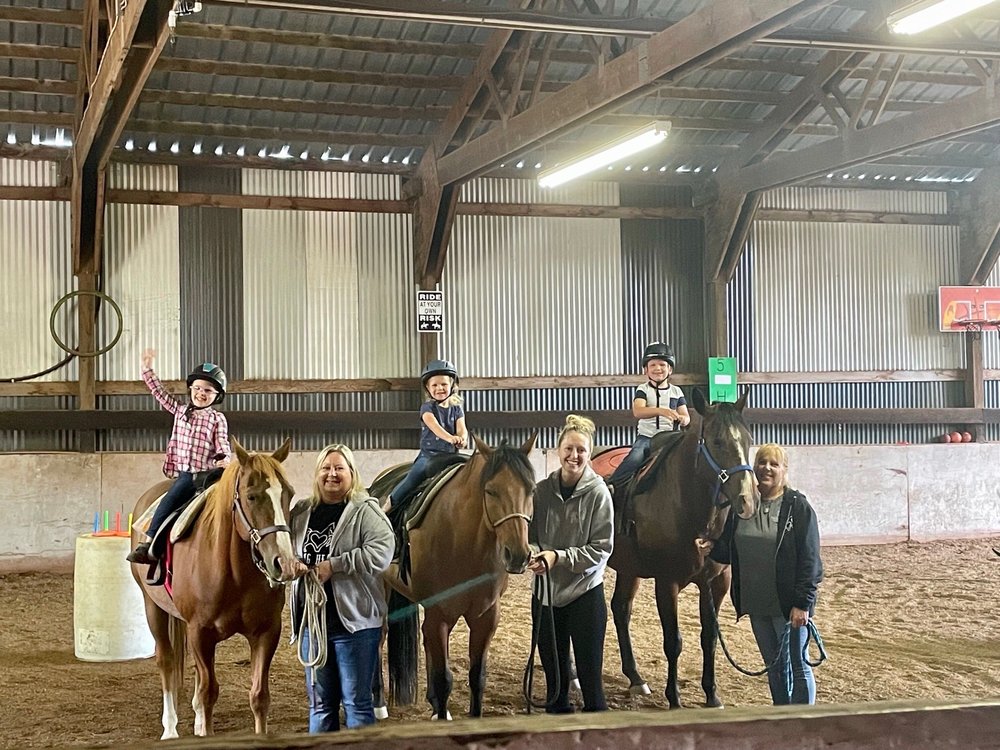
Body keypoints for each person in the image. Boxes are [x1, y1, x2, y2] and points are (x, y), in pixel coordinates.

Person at [289, 444, 394, 733]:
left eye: (339, 468)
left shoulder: (366, 511)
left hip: (355, 625)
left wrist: (335, 565)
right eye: (326, 468)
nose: (331, 474)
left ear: (351, 473)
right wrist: (293, 564)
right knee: (320, 704)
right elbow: (284, 551)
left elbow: (382, 551)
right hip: (314, 624)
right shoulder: (300, 512)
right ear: (317, 473)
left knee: (357, 704)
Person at [710, 443, 823, 705]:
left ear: (784, 470)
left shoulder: (798, 507)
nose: (767, 469)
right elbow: (728, 549)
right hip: (757, 603)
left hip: (788, 607)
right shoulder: (744, 505)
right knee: (774, 666)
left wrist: (802, 604)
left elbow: (810, 561)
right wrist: (709, 547)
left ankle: (804, 721)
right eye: (762, 463)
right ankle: (782, 716)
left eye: (774, 464)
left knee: (798, 665)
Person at [528, 414, 614, 714]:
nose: (574, 456)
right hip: (546, 596)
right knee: (555, 685)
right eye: (569, 449)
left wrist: (557, 557)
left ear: (589, 454)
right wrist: (534, 553)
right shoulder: (540, 491)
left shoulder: (599, 493)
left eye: (581, 450)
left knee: (592, 683)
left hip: (584, 594)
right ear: (558, 449)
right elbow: (530, 535)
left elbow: (601, 549)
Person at [127, 348, 231, 565]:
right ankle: (148, 542)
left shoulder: (216, 418)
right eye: (198, 388)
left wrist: (224, 458)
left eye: (208, 391)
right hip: (187, 476)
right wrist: (147, 369)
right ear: (191, 389)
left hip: (209, 475)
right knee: (170, 500)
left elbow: (222, 441)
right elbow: (159, 393)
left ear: (216, 396)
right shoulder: (180, 411)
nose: (202, 393)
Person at [385, 359, 467, 511]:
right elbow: (434, 426)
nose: (439, 388)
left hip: (451, 456)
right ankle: (387, 507)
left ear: (452, 386)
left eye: (443, 384)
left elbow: (462, 428)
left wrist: (462, 439)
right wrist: (450, 438)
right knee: (412, 480)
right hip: (429, 456)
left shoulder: (456, 408)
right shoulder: (427, 408)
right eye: (434, 385)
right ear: (428, 389)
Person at [607, 341, 690, 491]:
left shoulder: (677, 392)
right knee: (635, 458)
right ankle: (612, 485)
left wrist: (683, 419)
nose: (658, 368)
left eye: (662, 365)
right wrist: (661, 411)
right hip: (647, 437)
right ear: (646, 370)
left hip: (671, 437)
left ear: (670, 369)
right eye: (653, 365)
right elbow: (638, 411)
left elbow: (685, 415)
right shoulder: (643, 389)